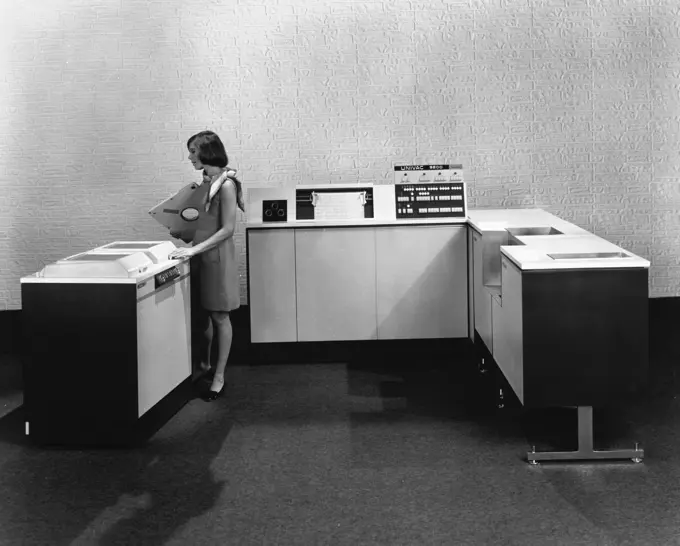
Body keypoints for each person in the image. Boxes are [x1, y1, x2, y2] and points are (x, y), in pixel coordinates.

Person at [168, 131, 245, 401]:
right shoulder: (207, 182)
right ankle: (204, 367)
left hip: (216, 258)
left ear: (206, 151)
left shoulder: (226, 185)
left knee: (220, 317)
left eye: (192, 151)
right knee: (203, 318)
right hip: (200, 255)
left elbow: (227, 229)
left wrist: (193, 250)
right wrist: (182, 232)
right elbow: (204, 221)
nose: (189, 157)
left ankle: (220, 376)